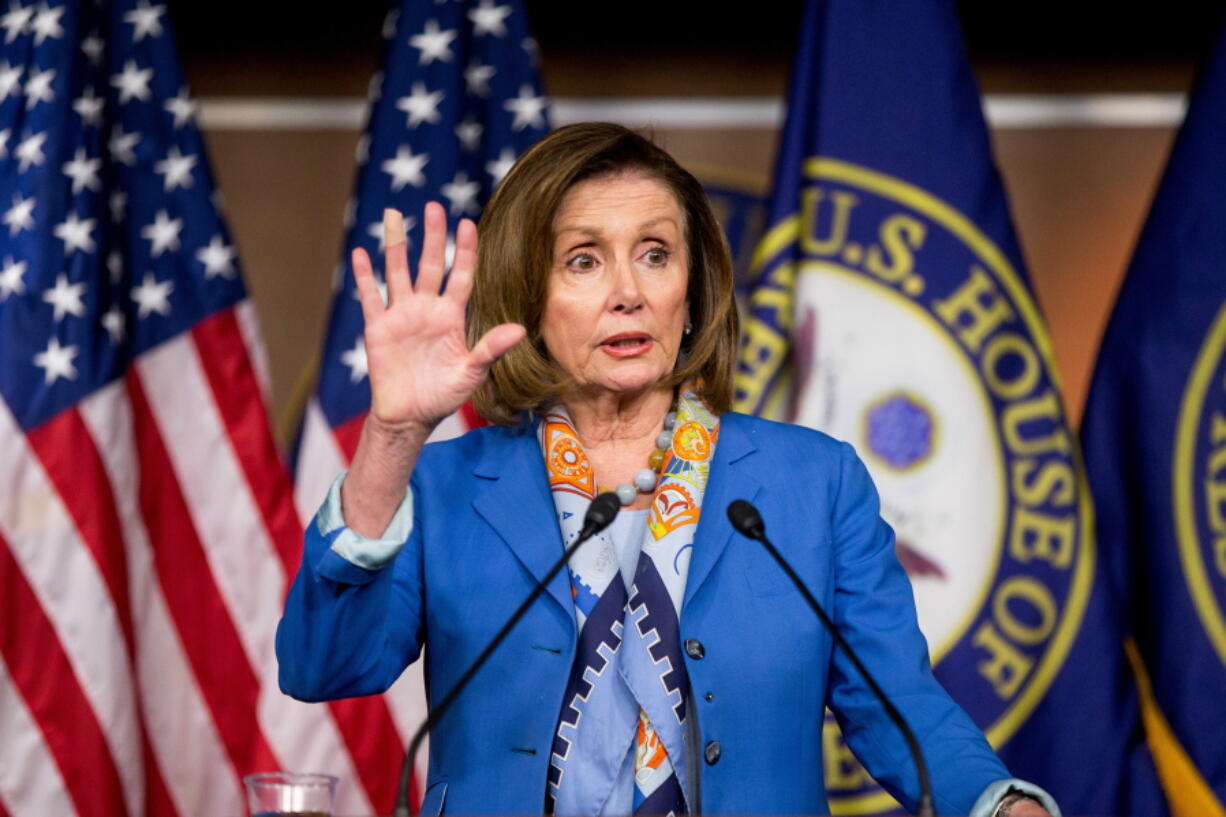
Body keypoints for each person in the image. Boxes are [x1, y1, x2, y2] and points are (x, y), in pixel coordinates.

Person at [277, 123, 1058, 817]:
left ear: (692, 293)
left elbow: (898, 703)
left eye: (655, 254)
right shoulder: (443, 485)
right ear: (528, 296)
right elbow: (323, 665)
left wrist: (1001, 804)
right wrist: (392, 433)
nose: (628, 292)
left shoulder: (812, 485)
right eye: (583, 261)